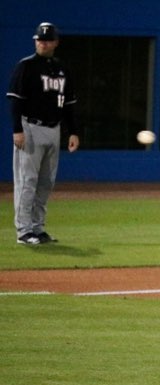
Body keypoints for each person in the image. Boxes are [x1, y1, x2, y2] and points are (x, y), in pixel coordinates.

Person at [6, 22, 79, 245]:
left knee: (46, 182)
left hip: (54, 129)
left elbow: (68, 104)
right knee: (27, 180)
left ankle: (38, 228)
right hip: (31, 128)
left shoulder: (62, 68)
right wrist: (17, 130)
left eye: (47, 39)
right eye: (39, 39)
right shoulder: (26, 66)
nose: (42, 42)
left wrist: (73, 131)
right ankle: (23, 231)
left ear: (56, 42)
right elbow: (16, 101)